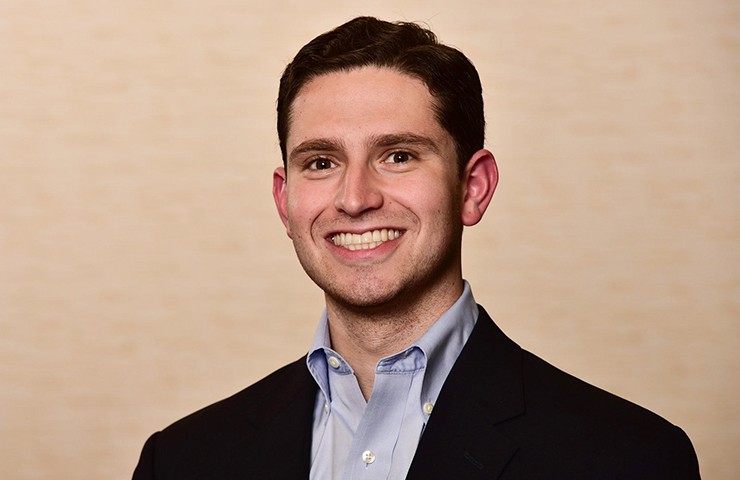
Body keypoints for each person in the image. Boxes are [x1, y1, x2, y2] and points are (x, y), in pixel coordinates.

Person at [133, 16, 700, 479]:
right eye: (322, 162)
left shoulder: (630, 459)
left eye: (398, 155)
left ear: (471, 188)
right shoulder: (182, 460)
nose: (354, 198)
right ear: (285, 201)